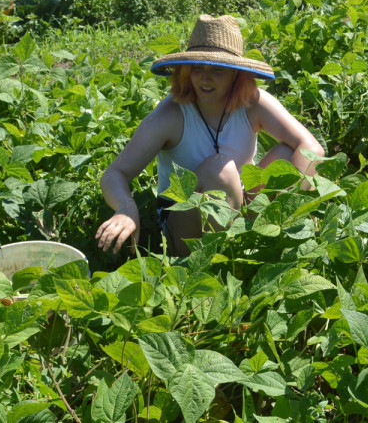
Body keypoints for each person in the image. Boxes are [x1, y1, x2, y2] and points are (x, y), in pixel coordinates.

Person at [96, 14, 325, 257]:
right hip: (184, 220)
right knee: (221, 169)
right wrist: (125, 207)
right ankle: (220, 258)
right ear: (186, 72)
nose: (205, 78)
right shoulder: (172, 114)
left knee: (287, 153)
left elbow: (311, 148)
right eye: (197, 69)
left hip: (238, 207)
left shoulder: (252, 104)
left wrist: (289, 207)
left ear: (237, 75)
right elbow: (115, 173)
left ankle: (265, 237)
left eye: (217, 70)